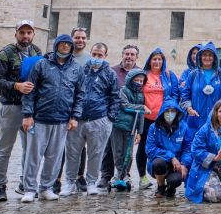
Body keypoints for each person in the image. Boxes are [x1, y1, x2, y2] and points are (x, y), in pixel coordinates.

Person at [20, 34, 84, 203]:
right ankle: (29, 189)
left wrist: (75, 117)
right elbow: (30, 92)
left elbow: (79, 95)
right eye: (62, 44)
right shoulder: (42, 65)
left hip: (62, 119)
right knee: (33, 155)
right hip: (40, 118)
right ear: (56, 46)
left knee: (54, 157)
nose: (65, 47)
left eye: (68, 45)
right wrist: (28, 115)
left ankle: (46, 188)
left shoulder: (76, 69)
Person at [0, 20, 42, 202]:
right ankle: (0, 185)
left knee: (30, 149)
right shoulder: (6, 53)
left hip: (30, 109)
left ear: (33, 34)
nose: (25, 36)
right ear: (16, 34)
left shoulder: (37, 51)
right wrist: (16, 86)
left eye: (29, 32)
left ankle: (25, 183)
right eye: (22, 33)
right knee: (5, 148)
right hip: (11, 105)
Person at [62, 42, 119, 196]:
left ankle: (92, 182)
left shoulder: (110, 74)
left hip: (99, 118)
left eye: (100, 55)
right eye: (94, 54)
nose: (96, 58)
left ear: (105, 56)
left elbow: (115, 97)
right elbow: (71, 91)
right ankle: (69, 182)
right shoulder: (80, 70)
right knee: (72, 152)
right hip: (78, 118)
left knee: (96, 153)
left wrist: (110, 118)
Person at [99, 44, 140, 189]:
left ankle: (124, 174)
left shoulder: (140, 74)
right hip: (113, 115)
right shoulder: (113, 71)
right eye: (126, 54)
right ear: (122, 55)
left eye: (132, 54)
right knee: (109, 148)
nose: (129, 57)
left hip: (129, 120)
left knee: (126, 148)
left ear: (136, 57)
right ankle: (105, 176)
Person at [138, 47, 179, 190]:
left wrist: (171, 113)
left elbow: (174, 95)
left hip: (164, 119)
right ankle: (143, 176)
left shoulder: (168, 75)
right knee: (144, 147)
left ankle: (164, 173)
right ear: (149, 61)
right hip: (147, 117)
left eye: (159, 59)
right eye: (154, 59)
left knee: (164, 145)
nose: (157, 62)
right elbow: (137, 95)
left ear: (163, 61)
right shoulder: (143, 75)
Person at [145, 98, 193, 198]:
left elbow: (188, 148)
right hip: (160, 162)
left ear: (177, 112)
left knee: (176, 180)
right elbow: (150, 149)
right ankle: (161, 186)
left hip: (177, 164)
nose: (170, 113)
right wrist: (171, 157)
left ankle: (171, 188)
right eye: (167, 111)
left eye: (173, 111)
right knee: (158, 163)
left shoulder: (184, 127)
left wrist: (184, 164)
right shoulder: (154, 128)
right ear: (162, 111)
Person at [110, 69, 147, 191]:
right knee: (118, 152)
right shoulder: (124, 90)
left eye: (141, 81)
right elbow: (124, 105)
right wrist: (141, 107)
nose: (139, 82)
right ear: (131, 80)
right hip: (119, 126)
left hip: (131, 129)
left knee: (128, 153)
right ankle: (119, 174)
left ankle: (125, 174)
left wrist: (139, 132)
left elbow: (141, 115)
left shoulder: (141, 95)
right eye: (136, 80)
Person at [181, 44, 221, 131]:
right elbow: (185, 95)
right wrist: (189, 109)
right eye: (205, 55)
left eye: (210, 55)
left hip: (216, 120)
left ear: (214, 58)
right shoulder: (193, 74)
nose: (207, 58)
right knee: (196, 143)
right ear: (200, 57)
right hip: (196, 120)